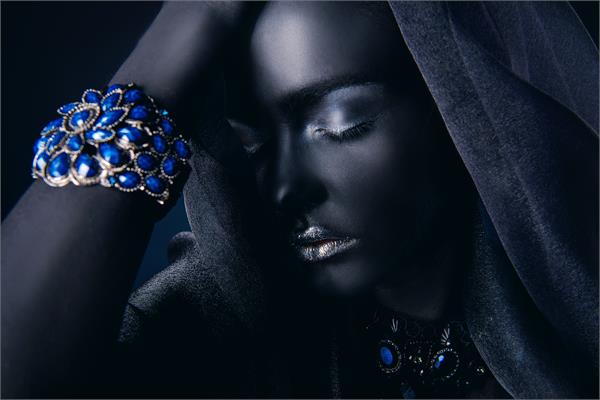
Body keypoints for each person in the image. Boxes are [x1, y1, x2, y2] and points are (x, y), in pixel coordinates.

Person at [2, 2, 597, 398]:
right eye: (252, 145)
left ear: (456, 101)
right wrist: (188, 25)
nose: (285, 187)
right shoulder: (216, 326)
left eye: (340, 123)